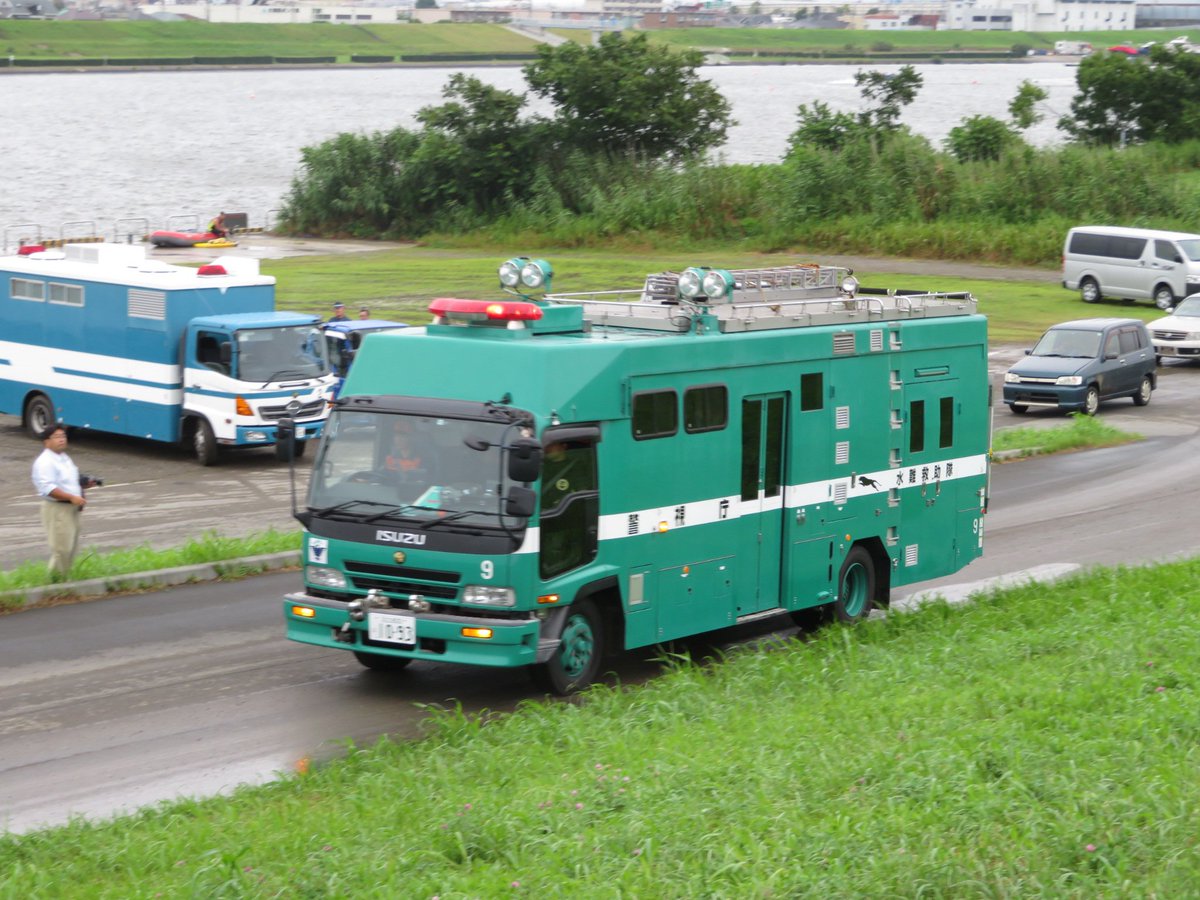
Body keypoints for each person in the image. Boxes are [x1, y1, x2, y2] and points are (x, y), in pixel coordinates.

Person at [31, 425, 97, 580]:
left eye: (63, 436)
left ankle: (64, 580)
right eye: (57, 437)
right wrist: (71, 497)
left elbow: (69, 482)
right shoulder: (45, 461)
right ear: (46, 441)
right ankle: (56, 583)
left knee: (70, 546)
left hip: (71, 507)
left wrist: (83, 486)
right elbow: (48, 489)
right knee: (61, 549)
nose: (61, 439)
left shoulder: (64, 458)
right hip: (58, 508)